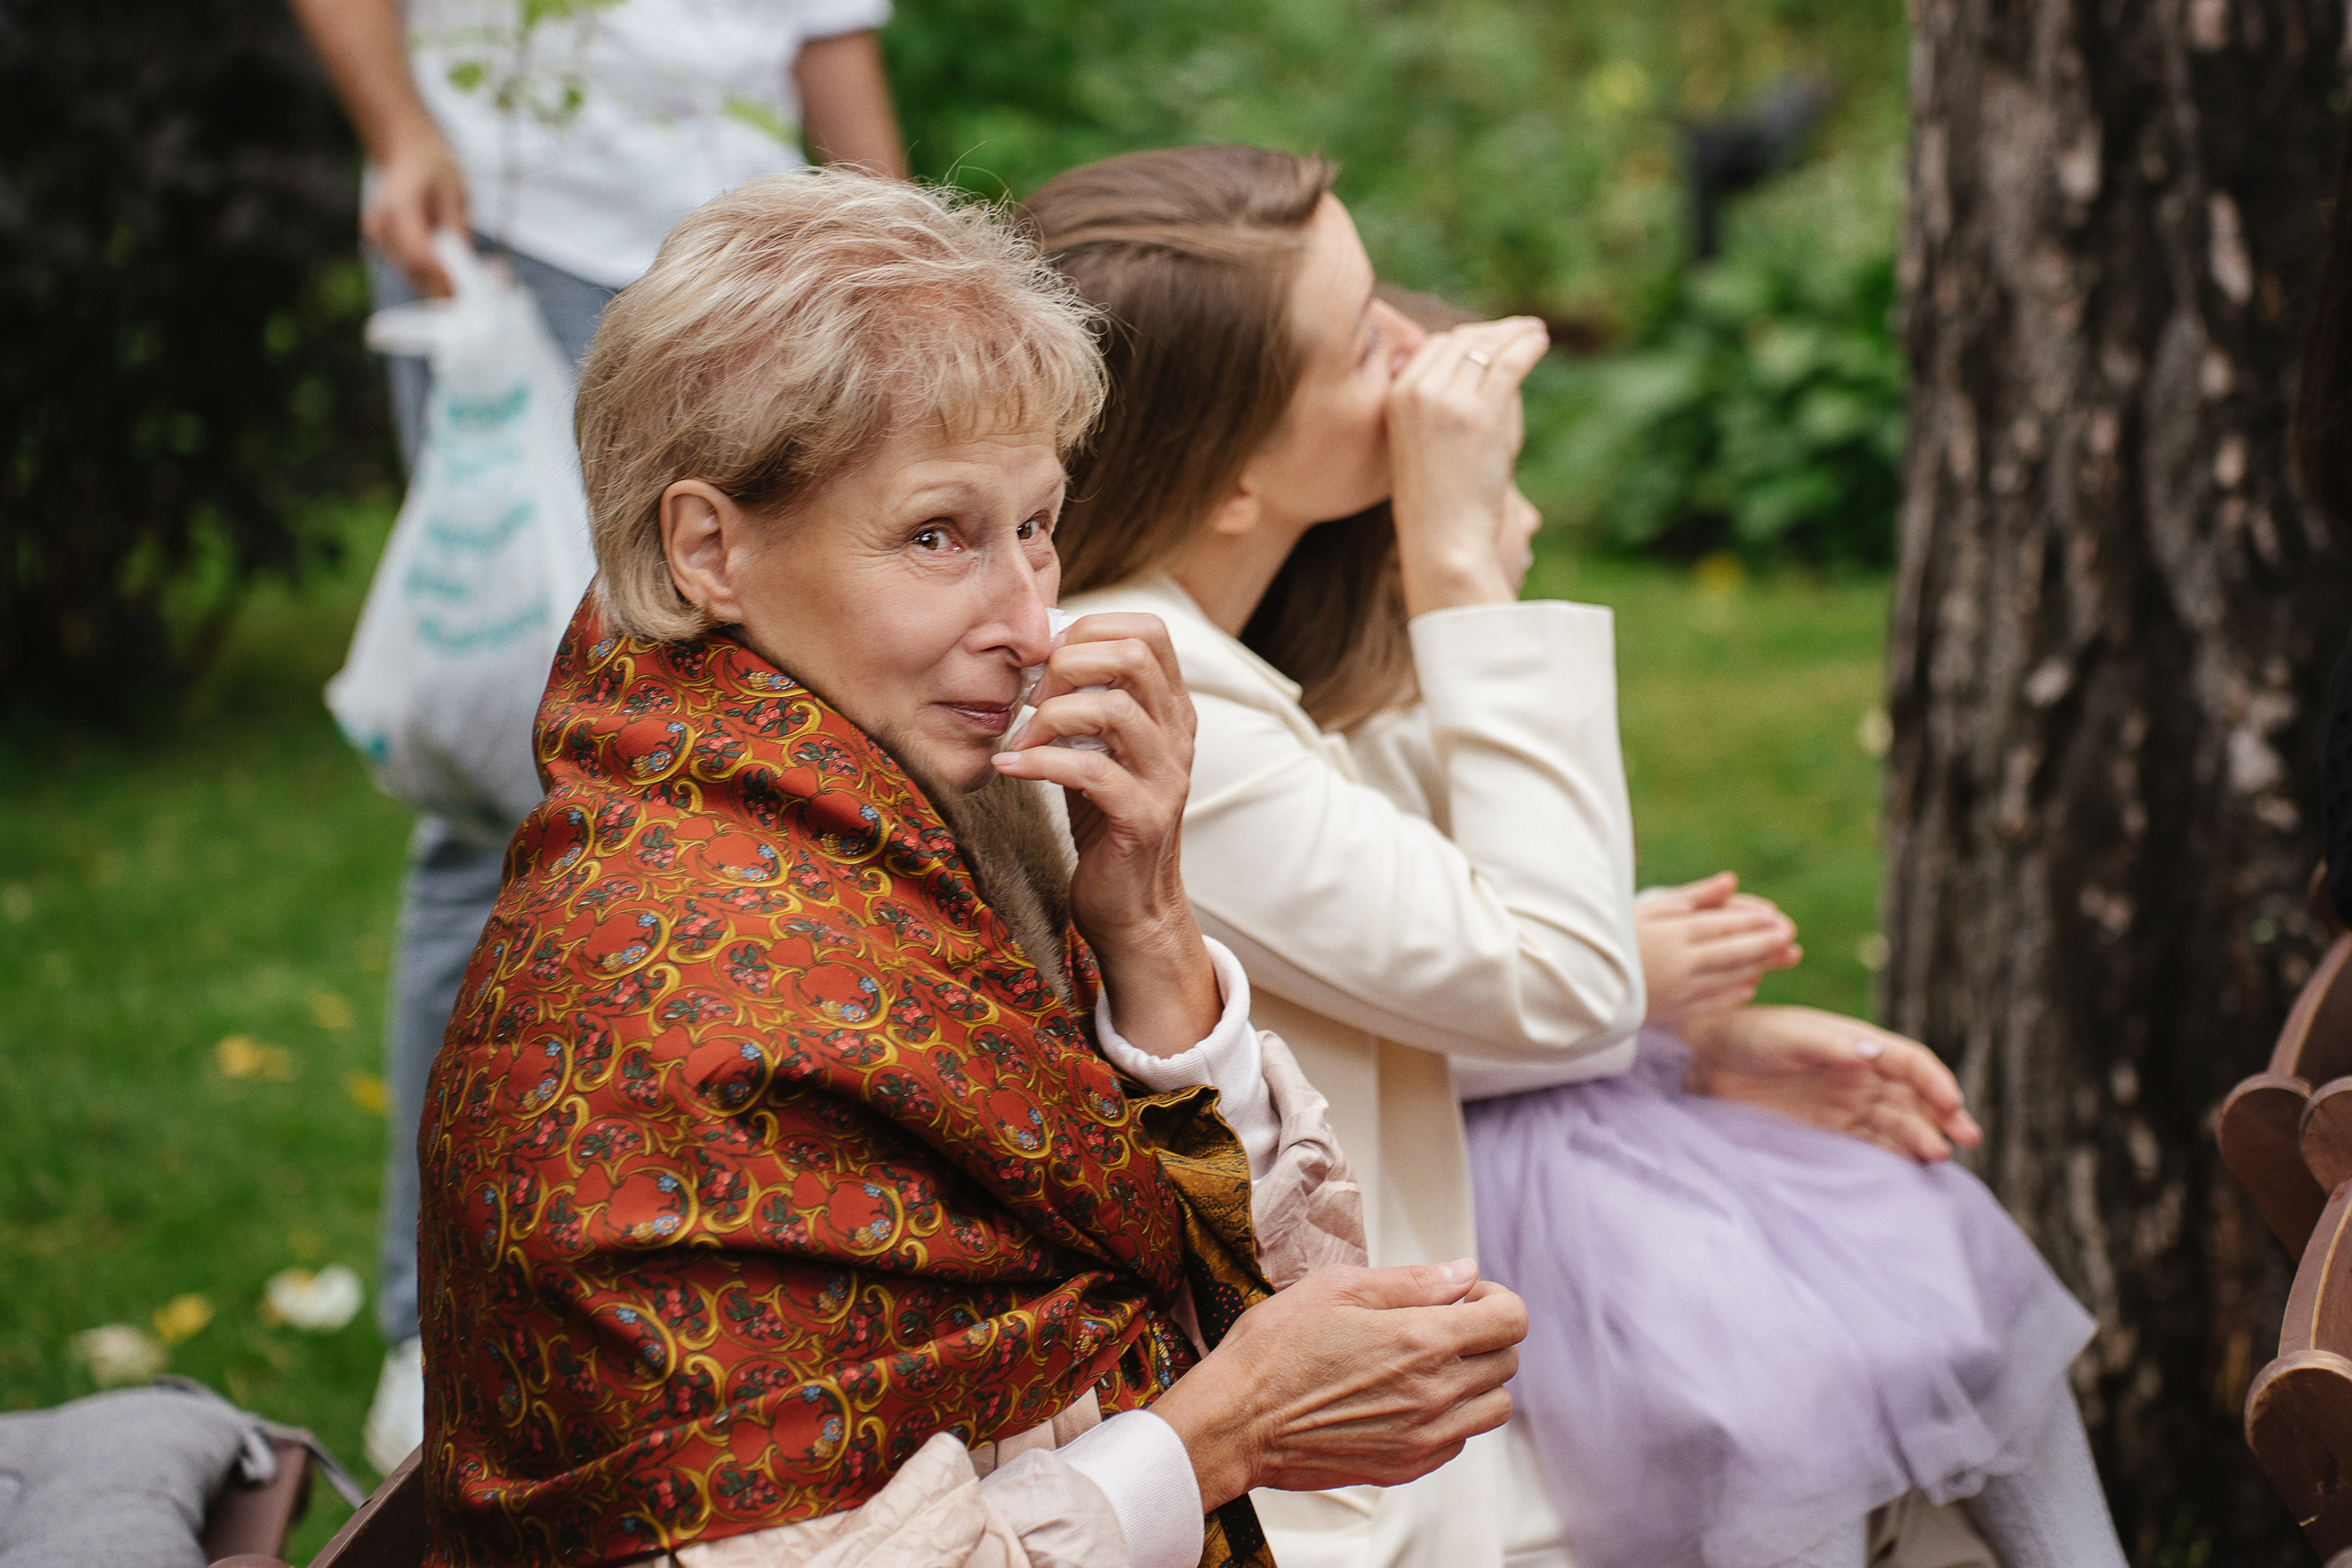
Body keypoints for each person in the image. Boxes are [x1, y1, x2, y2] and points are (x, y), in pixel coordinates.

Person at [415, 168, 1529, 1568]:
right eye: (937, 536)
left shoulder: (907, 820)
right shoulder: (663, 989)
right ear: (708, 548)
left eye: (1037, 525)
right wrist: (1212, 1439)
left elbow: (1280, 1279)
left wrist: (1153, 933)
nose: (1029, 622)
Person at [1039, 144, 2128, 1568]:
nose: (1429, 356)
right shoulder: (1163, 696)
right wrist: (1460, 572)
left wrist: (1692, 1043)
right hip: (1350, 1460)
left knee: (1913, 1349)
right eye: (1369, 340)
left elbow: (1406, 982)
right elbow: (1557, 974)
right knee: (1814, 1406)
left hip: (1438, 1305)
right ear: (1238, 476)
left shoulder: (1234, 652)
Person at [285, 0, 907, 1472]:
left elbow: (832, 37)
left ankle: (722, 1261)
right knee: (510, 805)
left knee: (770, 769)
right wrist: (399, 128)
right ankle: (438, 1319)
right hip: (518, 242)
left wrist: (902, 266)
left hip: (754, 261)